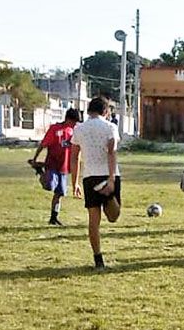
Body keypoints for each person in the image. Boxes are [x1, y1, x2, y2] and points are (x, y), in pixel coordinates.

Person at [70, 97, 121, 269]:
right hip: (107, 173)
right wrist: (112, 179)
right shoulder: (110, 127)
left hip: (89, 176)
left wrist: (74, 182)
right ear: (106, 112)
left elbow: (74, 157)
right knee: (114, 216)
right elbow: (111, 152)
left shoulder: (79, 128)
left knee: (93, 220)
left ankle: (98, 259)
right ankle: (107, 197)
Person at [31, 108, 80, 226]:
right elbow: (43, 144)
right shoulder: (55, 129)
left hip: (64, 166)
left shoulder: (74, 132)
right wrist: (35, 158)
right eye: (74, 122)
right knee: (50, 185)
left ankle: (54, 217)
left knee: (60, 193)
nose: (75, 125)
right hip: (52, 163)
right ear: (68, 119)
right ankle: (40, 171)